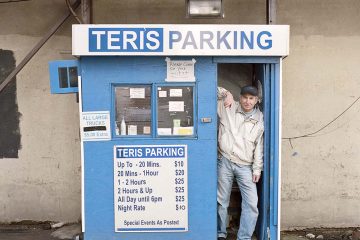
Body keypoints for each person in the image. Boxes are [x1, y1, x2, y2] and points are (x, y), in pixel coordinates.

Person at [217, 85, 264, 240]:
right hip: (225, 160)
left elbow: (259, 146)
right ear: (240, 97)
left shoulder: (259, 119)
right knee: (221, 200)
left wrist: (257, 169)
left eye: (251, 98)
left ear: (256, 100)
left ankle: (243, 237)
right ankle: (220, 233)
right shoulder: (228, 106)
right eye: (245, 97)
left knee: (251, 204)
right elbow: (207, 86)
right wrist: (226, 93)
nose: (247, 101)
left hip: (246, 166)